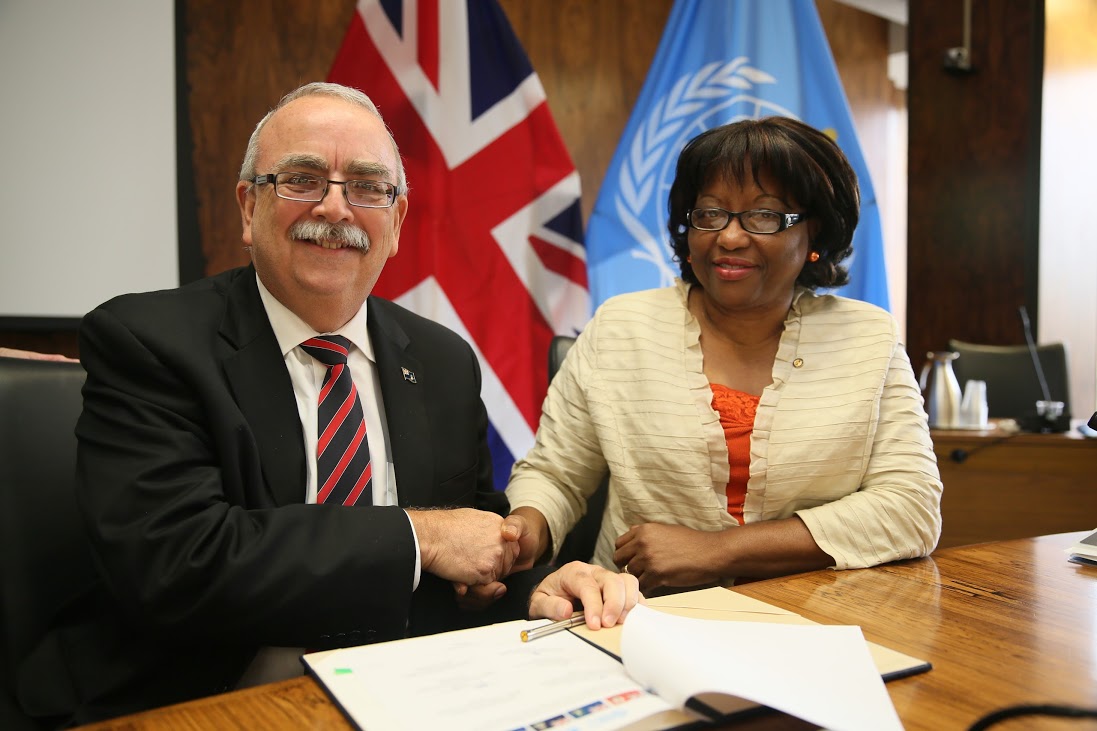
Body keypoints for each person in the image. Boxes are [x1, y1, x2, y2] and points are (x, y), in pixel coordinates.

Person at [13, 82, 638, 728]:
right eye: (302, 179)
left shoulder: (442, 362)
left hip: (400, 698)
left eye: (366, 186)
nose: (335, 207)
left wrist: (534, 589)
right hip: (192, 702)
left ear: (396, 222)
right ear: (248, 207)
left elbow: (470, 559)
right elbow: (176, 563)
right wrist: (419, 535)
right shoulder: (149, 341)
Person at [505, 117, 942, 594]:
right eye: (711, 213)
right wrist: (522, 531)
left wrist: (717, 550)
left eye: (764, 215)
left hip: (820, 614)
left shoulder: (868, 338)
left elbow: (911, 509)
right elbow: (555, 476)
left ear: (814, 235)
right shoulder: (620, 328)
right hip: (638, 610)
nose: (730, 237)